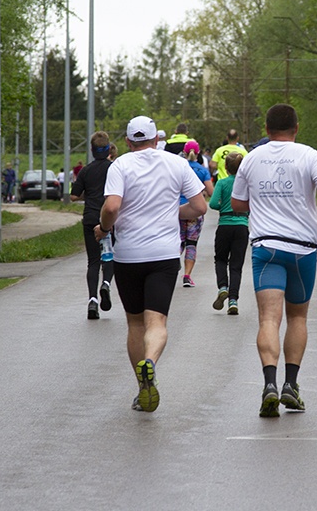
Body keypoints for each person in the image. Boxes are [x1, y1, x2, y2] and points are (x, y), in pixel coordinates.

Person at [231, 103, 317, 418]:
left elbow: (238, 203)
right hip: (303, 248)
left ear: (266, 129)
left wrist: (262, 206)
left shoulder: (251, 158)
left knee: (268, 320)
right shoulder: (311, 155)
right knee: (298, 319)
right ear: (296, 127)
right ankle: (291, 385)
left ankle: (269, 385)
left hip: (267, 248)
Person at [99, 116, 208, 413]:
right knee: (156, 322)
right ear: (156, 140)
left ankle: (141, 386)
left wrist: (104, 228)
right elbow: (200, 207)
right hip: (163, 255)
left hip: (128, 256)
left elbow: (111, 207)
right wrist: (175, 213)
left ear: (127, 141)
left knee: (135, 322)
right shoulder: (176, 164)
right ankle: (152, 361)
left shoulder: (120, 165)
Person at [71, 132, 114, 320]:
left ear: (91, 150)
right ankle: (106, 283)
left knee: (93, 261)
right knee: (110, 256)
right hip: (110, 219)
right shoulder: (115, 169)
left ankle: (92, 301)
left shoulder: (85, 171)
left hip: (90, 217)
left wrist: (88, 194)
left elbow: (73, 196)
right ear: (108, 149)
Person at [209, 152, 248, 315]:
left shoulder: (222, 183)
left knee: (220, 259)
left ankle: (222, 287)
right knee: (236, 265)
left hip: (224, 225)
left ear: (225, 167)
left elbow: (212, 203)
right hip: (241, 226)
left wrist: (224, 208)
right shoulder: (246, 185)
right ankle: (233, 300)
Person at [179, 140, 214, 288]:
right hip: (195, 211)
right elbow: (211, 192)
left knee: (178, 242)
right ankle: (187, 276)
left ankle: (172, 264)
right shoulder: (202, 170)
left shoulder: (179, 168)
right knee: (191, 244)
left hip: (178, 210)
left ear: (184, 153)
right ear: (198, 153)